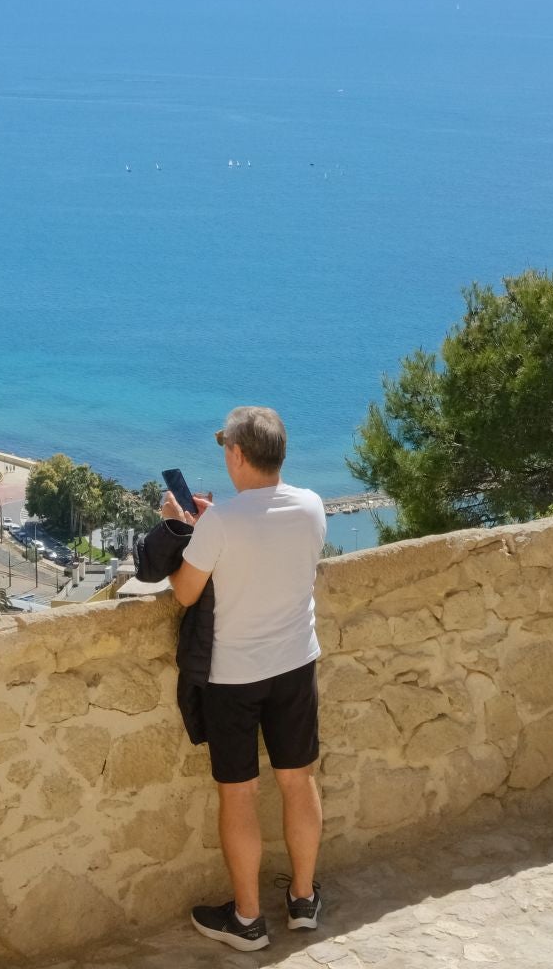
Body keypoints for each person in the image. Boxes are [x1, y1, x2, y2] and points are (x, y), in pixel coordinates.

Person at [170, 406, 326, 952]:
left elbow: (186, 592)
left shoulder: (220, 524)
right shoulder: (311, 506)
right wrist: (213, 525)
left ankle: (248, 920)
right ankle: (303, 901)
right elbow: (267, 541)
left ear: (236, 454)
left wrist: (192, 530)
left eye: (225, 450)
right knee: (297, 780)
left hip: (234, 677)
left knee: (239, 794)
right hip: (295, 664)